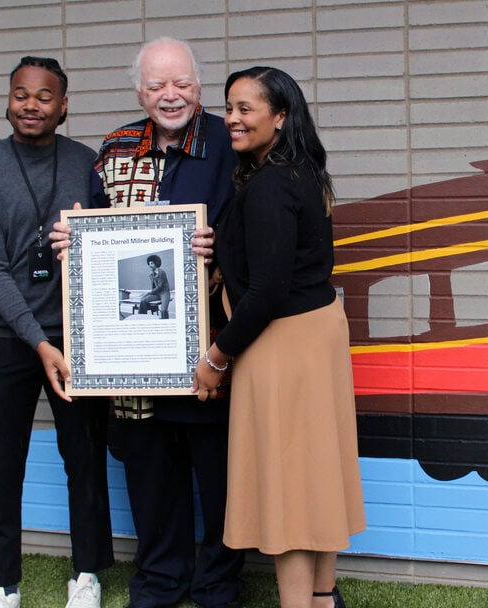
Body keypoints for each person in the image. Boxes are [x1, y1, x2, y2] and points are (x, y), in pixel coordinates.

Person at [52, 37, 244, 608]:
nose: (170, 95)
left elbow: (260, 229)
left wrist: (222, 244)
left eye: (181, 83)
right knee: (150, 472)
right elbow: (95, 234)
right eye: (157, 84)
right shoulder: (113, 149)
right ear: (139, 90)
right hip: (133, 354)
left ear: (199, 87)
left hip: (211, 345)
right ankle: (161, 578)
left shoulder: (227, 143)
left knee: (220, 476)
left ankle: (217, 581)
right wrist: (72, 243)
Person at [193, 66, 366, 608]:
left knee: (292, 489)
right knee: (315, 476)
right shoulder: (302, 172)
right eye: (229, 108)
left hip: (283, 340)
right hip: (315, 335)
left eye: (247, 109)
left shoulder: (269, 184)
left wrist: (216, 358)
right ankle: (321, 597)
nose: (233, 119)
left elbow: (265, 290)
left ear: (280, 116)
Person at [0, 56, 113, 608]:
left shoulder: (88, 166)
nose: (31, 105)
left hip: (77, 337)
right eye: (21, 94)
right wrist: (38, 342)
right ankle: (3, 585)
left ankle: (87, 574)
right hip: (4, 340)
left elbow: (111, 248)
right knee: (0, 463)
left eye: (44, 97)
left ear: (63, 106)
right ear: (8, 100)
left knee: (85, 458)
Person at [138, 254, 172, 318]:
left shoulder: (161, 272)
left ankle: (165, 323)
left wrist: (148, 293)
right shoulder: (151, 274)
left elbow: (160, 287)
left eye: (152, 263)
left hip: (164, 293)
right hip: (157, 294)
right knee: (143, 300)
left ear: (156, 263)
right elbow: (153, 286)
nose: (150, 265)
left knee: (163, 310)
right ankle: (142, 317)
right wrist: (147, 295)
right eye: (149, 264)